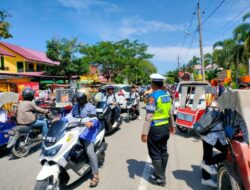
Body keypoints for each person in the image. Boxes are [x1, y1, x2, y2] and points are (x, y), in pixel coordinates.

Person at [141, 73, 176, 186]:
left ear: (153, 84)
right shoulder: (166, 96)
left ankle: (160, 178)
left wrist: (144, 133)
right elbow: (170, 113)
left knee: (155, 153)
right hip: (165, 128)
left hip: (155, 129)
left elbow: (149, 116)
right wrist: (172, 126)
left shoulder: (153, 97)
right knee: (163, 151)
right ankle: (160, 172)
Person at [72, 91, 100, 188]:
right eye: (77, 100)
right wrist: (60, 119)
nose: (78, 102)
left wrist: (91, 123)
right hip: (75, 131)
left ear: (84, 99)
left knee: (89, 152)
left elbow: (95, 119)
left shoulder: (90, 107)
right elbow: (70, 116)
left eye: (80, 100)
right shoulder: (75, 107)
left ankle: (95, 174)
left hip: (87, 131)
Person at [200, 120, 228, 187]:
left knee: (207, 154)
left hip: (207, 131)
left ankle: (205, 179)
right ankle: (206, 163)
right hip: (211, 134)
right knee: (228, 153)